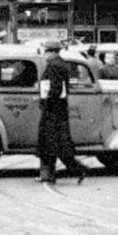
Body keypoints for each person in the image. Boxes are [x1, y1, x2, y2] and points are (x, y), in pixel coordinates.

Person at [36, 39, 88, 184]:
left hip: (53, 111)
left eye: (44, 51)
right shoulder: (59, 64)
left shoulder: (54, 66)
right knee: (54, 145)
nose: (43, 55)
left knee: (54, 144)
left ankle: (76, 169)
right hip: (58, 110)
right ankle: (49, 174)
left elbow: (55, 89)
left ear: (51, 52)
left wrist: (46, 104)